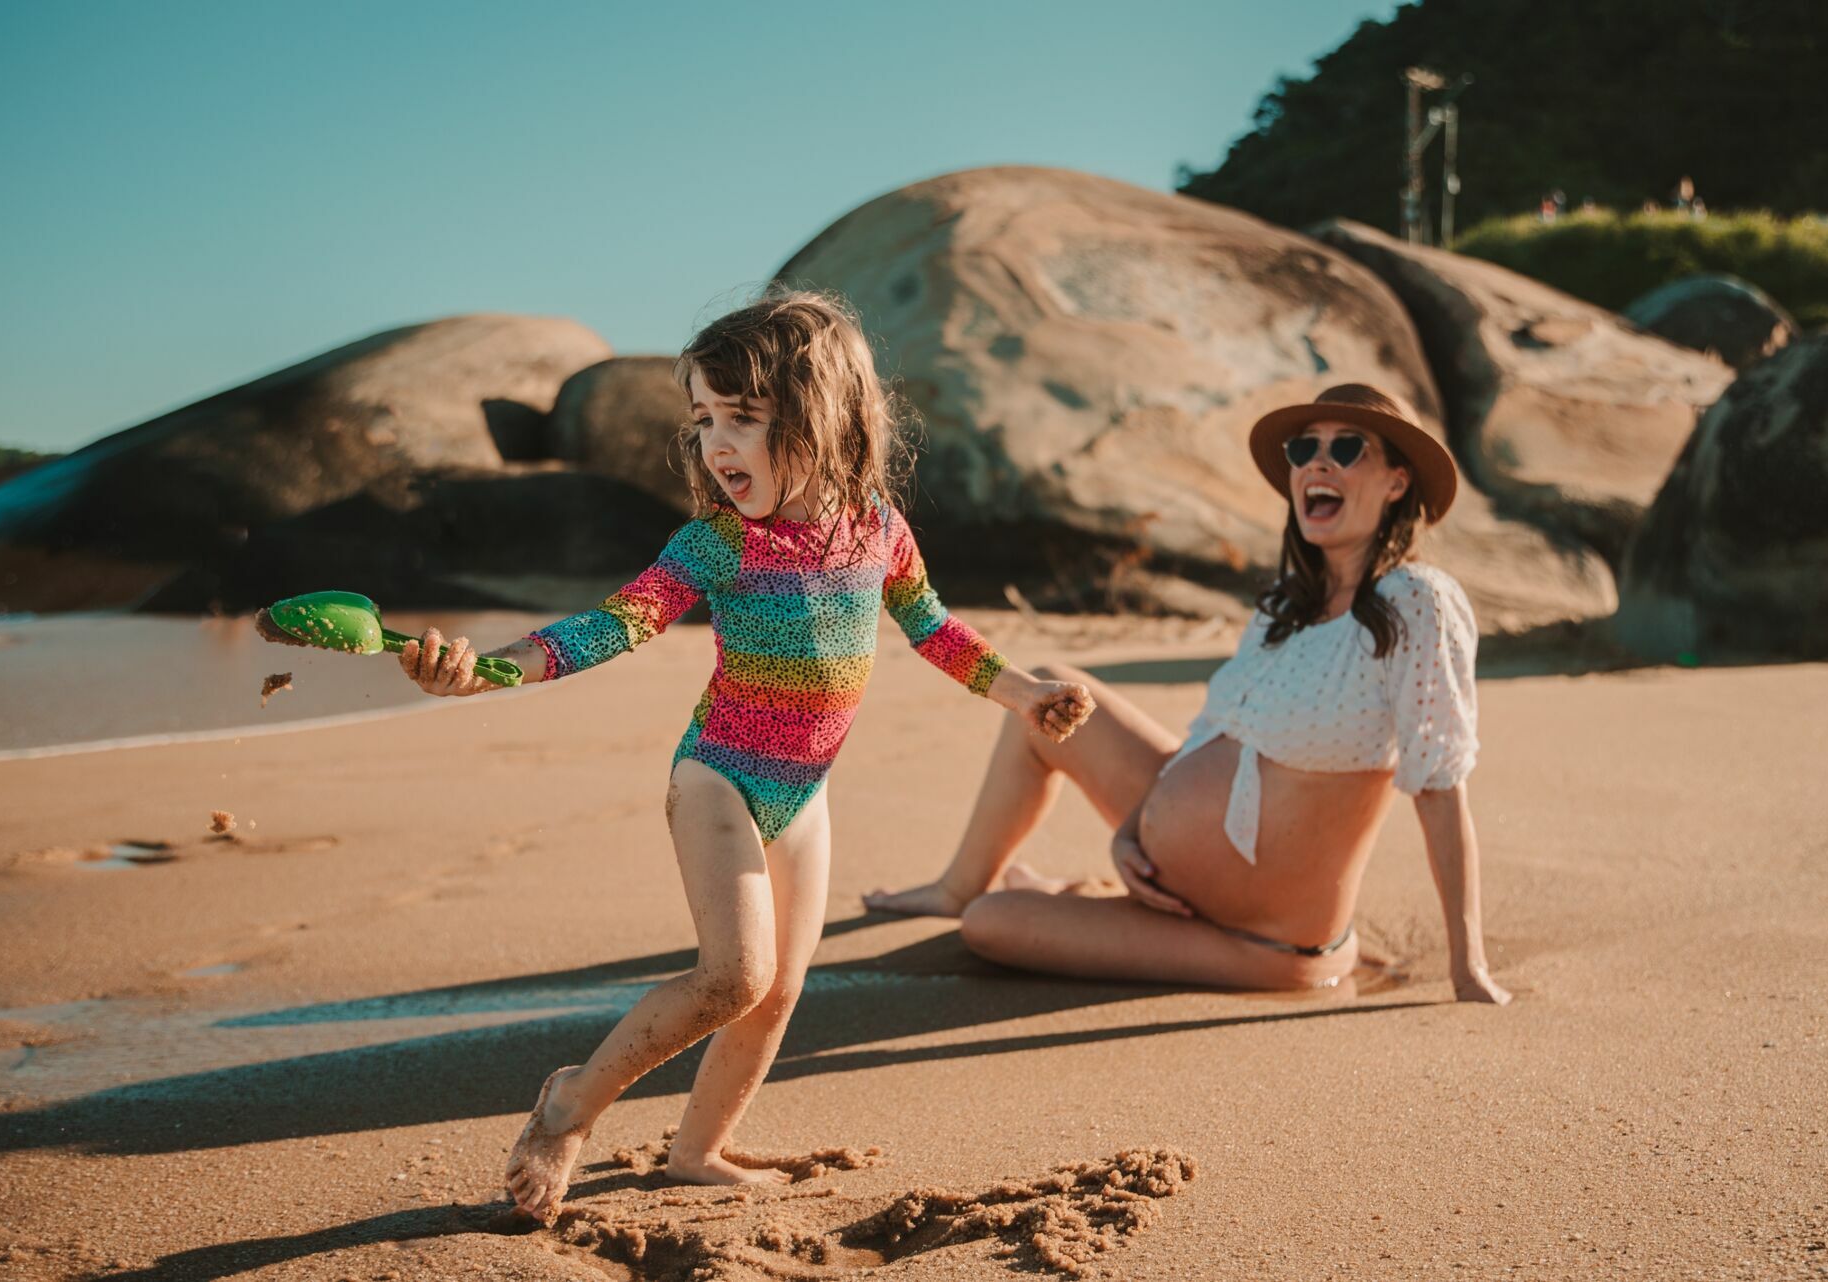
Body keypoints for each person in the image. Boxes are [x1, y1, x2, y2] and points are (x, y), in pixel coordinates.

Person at [396, 289, 1095, 1220]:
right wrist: (490, 671)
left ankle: (698, 1150)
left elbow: (933, 628)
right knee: (733, 977)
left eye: (743, 418)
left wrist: (1026, 693)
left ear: (824, 416)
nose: (717, 445)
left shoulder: (879, 529)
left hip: (805, 793)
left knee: (779, 991)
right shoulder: (717, 543)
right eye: (703, 420)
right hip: (719, 777)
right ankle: (569, 1105)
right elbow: (618, 621)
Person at [865, 384, 1512, 1007]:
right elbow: (1207, 744)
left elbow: (1439, 784)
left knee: (990, 924)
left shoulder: (1415, 602)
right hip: (1173, 870)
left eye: (1347, 448)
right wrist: (1131, 835)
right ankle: (957, 886)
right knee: (1045, 694)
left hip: (1264, 942)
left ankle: (1066, 900)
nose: (1318, 462)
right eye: (1304, 448)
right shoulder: (1285, 606)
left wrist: (1469, 967)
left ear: (1397, 482)